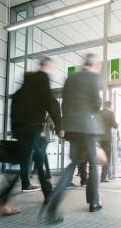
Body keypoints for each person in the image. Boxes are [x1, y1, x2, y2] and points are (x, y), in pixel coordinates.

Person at [0, 57, 64, 215]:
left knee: (37, 156)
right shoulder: (41, 81)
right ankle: (1, 201)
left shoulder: (20, 91)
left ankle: (47, 192)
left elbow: (13, 111)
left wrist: (15, 129)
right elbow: (52, 103)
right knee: (24, 160)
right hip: (32, 128)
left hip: (23, 129)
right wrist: (59, 127)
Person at [39, 53, 103, 224]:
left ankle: (54, 200)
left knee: (73, 163)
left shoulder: (70, 78)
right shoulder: (94, 78)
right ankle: (93, 201)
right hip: (87, 127)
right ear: (94, 65)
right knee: (93, 164)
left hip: (71, 127)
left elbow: (64, 103)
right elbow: (97, 104)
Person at [99, 101, 117, 182]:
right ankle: (103, 177)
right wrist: (117, 124)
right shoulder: (110, 113)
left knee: (97, 156)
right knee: (106, 157)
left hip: (99, 138)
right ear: (110, 106)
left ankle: (93, 177)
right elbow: (114, 125)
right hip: (106, 138)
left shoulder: (99, 112)